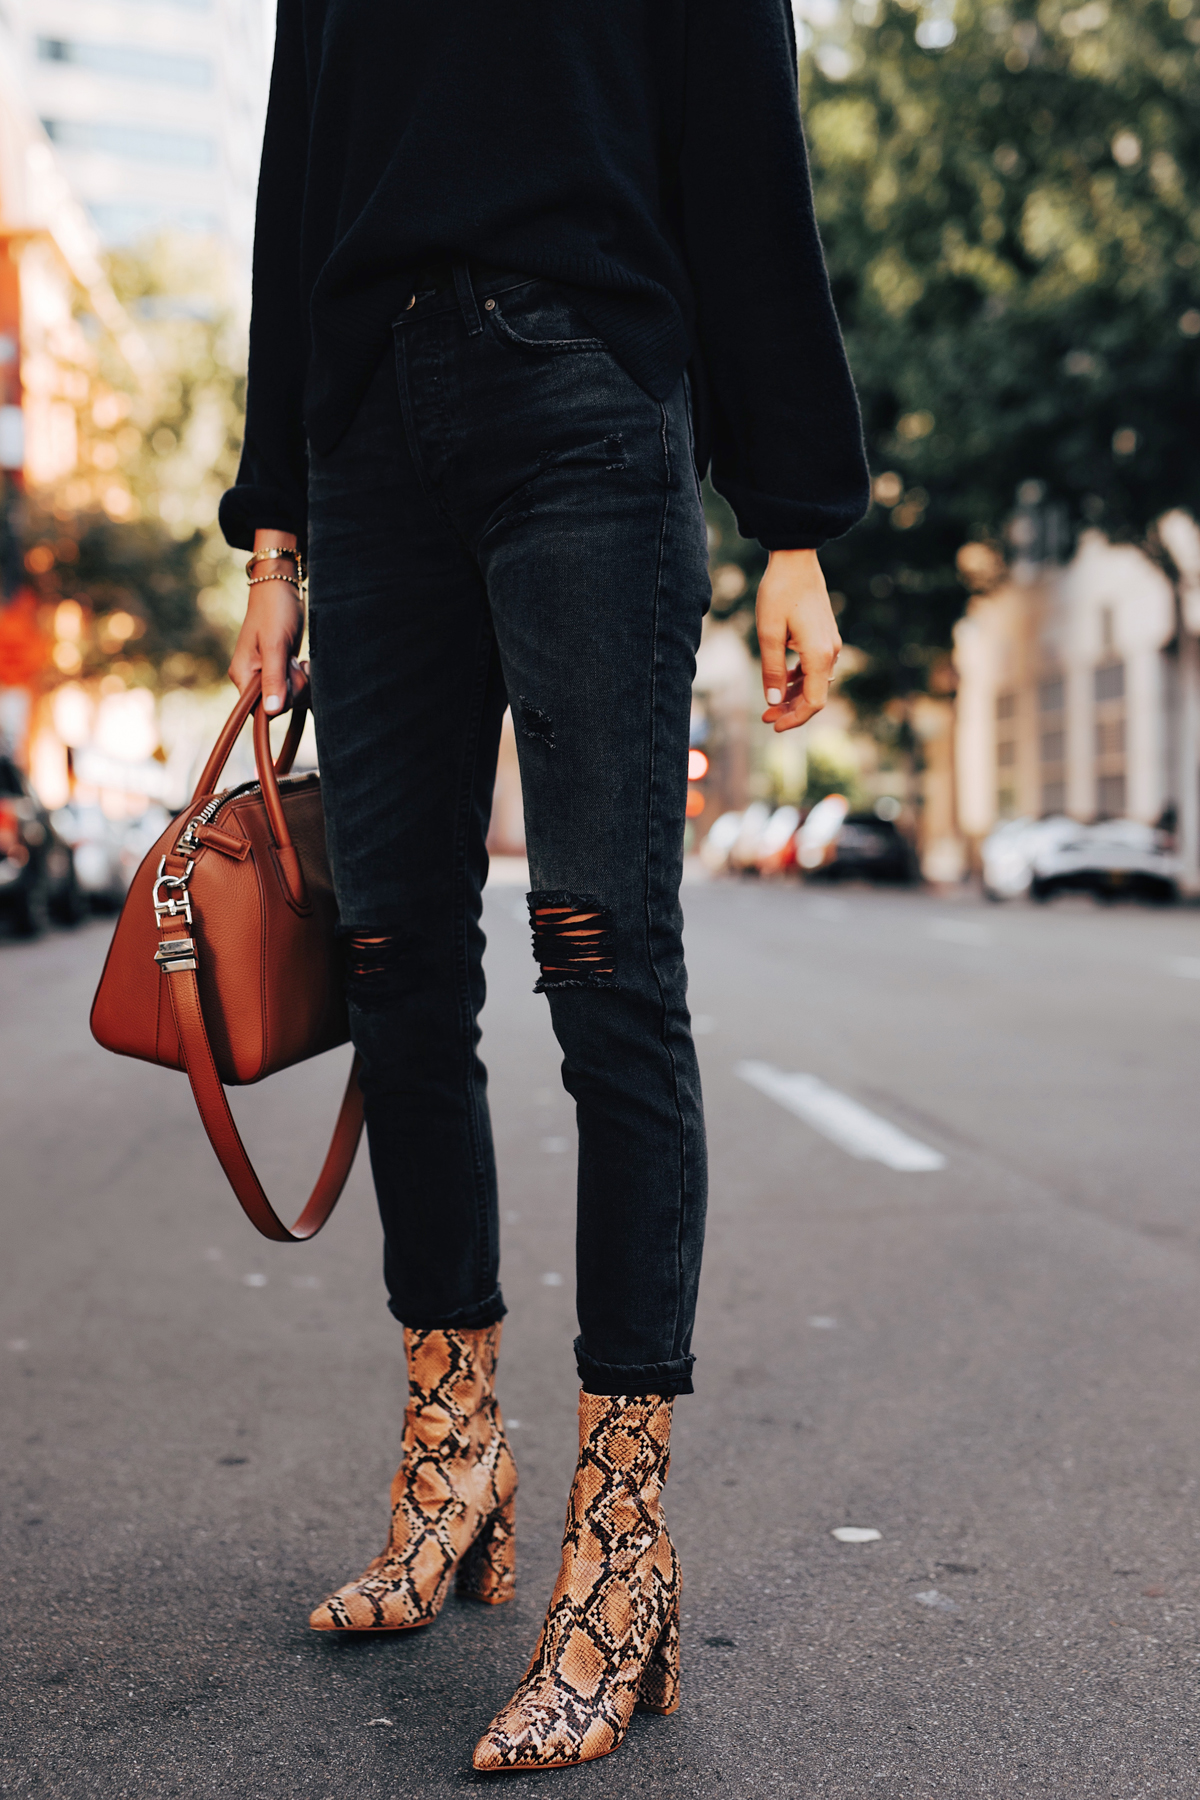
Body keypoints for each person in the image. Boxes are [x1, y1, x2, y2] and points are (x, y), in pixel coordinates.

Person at [219, 0, 869, 1773]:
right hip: (369, 444)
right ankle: (453, 1461)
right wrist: (274, 521)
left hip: (585, 402)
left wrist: (794, 521)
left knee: (601, 962)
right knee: (395, 965)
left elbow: (746, 157)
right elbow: (297, 183)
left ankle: (621, 1548)